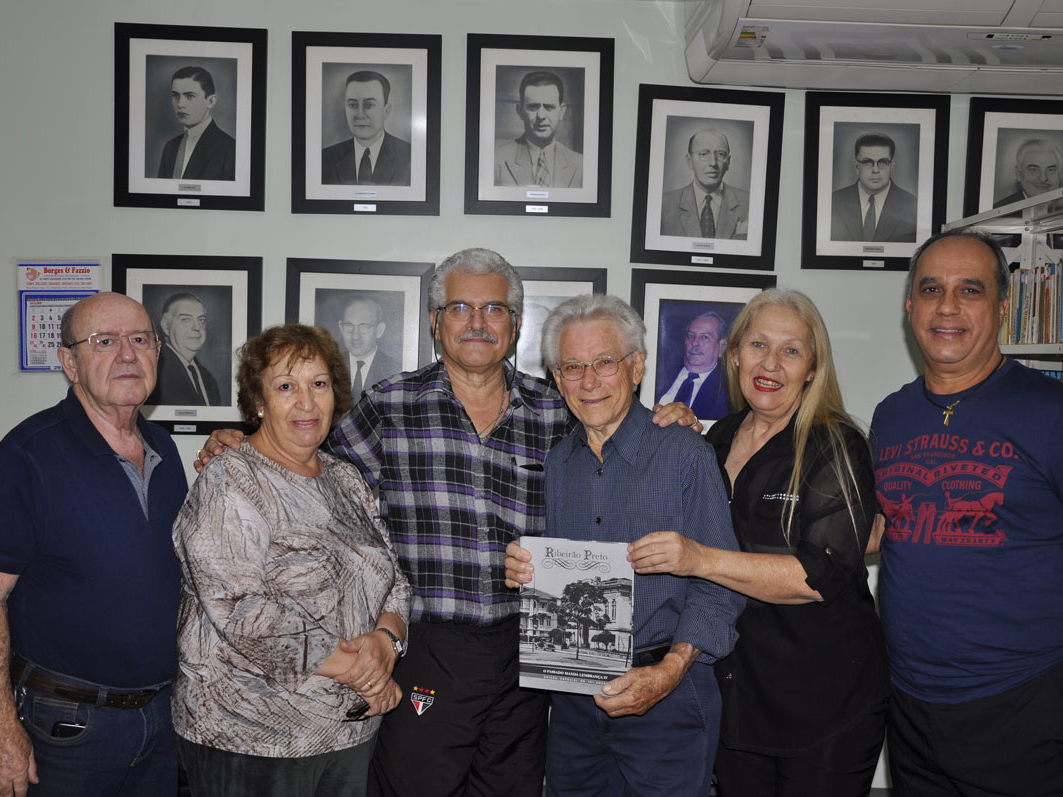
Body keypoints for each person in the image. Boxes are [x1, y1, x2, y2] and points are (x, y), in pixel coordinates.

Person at [196, 248, 698, 796]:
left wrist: (667, 419)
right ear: (436, 323)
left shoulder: (558, 412)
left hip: (527, 652)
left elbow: (617, 436)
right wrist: (241, 441)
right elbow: (307, 465)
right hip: (427, 647)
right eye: (460, 307)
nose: (478, 322)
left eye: (495, 309)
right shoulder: (389, 405)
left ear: (516, 324)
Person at [627, 288, 888, 795]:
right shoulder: (713, 439)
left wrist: (699, 559)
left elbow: (820, 577)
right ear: (734, 355)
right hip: (734, 694)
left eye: (791, 350)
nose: (771, 363)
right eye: (757, 345)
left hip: (824, 700)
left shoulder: (836, 443)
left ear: (813, 366)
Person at [503, 294, 743, 794]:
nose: (588, 381)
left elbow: (722, 586)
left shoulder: (685, 455)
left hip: (667, 693)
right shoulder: (557, 465)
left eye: (604, 363)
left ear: (636, 367)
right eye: (572, 366)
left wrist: (670, 670)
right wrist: (527, 574)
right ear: (556, 376)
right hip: (573, 701)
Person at [172, 323, 410, 796]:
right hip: (250, 737)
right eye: (286, 386)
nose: (306, 402)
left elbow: (394, 582)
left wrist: (386, 644)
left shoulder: (346, 479)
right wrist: (363, 672)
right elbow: (240, 610)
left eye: (318, 384)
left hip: (348, 732)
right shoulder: (230, 478)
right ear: (257, 401)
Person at [872, 229, 1063, 796]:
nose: (947, 306)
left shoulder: (1049, 410)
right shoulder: (892, 414)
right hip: (908, 704)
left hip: (1022, 703)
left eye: (970, 290)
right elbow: (884, 526)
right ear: (911, 307)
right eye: (931, 288)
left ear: (1003, 308)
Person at [0, 293, 188, 795]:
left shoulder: (164, 448)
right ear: (70, 363)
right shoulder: (27, 455)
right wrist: (2, 730)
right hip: (66, 729)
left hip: (160, 719)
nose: (128, 355)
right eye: (105, 341)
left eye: (141, 340)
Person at [495, 71, 583, 189]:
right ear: (520, 111)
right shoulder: (496, 161)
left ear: (561, 111)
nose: (541, 115)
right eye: (533, 107)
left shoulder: (581, 165)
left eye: (549, 107)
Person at [321, 71, 411, 187]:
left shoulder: (409, 157)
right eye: (353, 105)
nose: (360, 114)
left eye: (369, 105)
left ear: (386, 111)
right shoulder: (325, 159)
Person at [660, 128, 749, 240]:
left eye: (720, 154)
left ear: (728, 162)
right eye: (703, 154)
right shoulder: (663, 205)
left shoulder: (749, 203)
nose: (713, 163)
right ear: (689, 161)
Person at [831, 132, 917, 243]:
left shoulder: (913, 206)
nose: (875, 170)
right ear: (857, 167)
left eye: (883, 162)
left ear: (892, 166)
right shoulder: (833, 202)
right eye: (867, 162)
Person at [158, 65, 236, 181]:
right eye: (175, 95)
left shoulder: (230, 149)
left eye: (190, 96)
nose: (180, 104)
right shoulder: (170, 147)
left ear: (210, 101)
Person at [148, 292, 221, 406]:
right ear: (166, 326)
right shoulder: (156, 372)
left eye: (201, 320)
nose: (197, 327)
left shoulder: (208, 379)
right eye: (186, 320)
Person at [656, 310, 729, 419]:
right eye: (690, 336)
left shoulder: (727, 394)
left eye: (704, 337)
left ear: (721, 347)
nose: (694, 342)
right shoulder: (660, 375)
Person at [338, 296, 401, 399]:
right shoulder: (330, 366)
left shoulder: (395, 370)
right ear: (341, 327)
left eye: (364, 327)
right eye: (349, 325)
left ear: (379, 330)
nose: (355, 335)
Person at [993, 138, 1062, 207]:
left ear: (1059, 175)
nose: (1043, 179)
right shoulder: (999, 211)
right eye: (1033, 170)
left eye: (1051, 170)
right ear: (1018, 174)